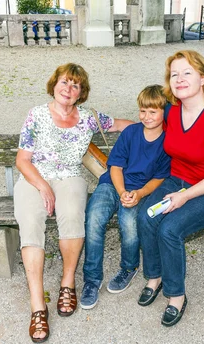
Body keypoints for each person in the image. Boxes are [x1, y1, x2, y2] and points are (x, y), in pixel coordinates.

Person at [14, 63, 132, 343]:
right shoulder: (37, 115)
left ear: (82, 92)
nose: (68, 89)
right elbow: (22, 160)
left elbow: (118, 124)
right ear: (54, 84)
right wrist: (43, 186)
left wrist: (154, 122)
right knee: (30, 222)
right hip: (35, 178)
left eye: (75, 85)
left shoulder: (89, 118)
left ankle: (67, 282)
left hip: (69, 177)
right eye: (64, 82)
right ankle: (37, 304)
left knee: (71, 215)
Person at [137, 50, 204, 327]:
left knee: (170, 229)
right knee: (146, 216)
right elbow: (144, 125)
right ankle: (154, 277)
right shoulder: (171, 111)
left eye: (187, 73)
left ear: (203, 78)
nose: (179, 79)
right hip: (177, 180)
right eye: (174, 74)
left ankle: (176, 295)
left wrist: (185, 196)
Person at [80, 85, 171, 310]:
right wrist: (121, 192)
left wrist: (138, 194)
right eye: (143, 111)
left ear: (165, 112)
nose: (146, 116)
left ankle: (129, 268)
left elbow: (159, 179)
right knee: (93, 218)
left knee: (129, 223)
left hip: (139, 191)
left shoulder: (167, 143)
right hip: (113, 185)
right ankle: (92, 279)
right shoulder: (131, 133)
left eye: (153, 112)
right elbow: (116, 167)